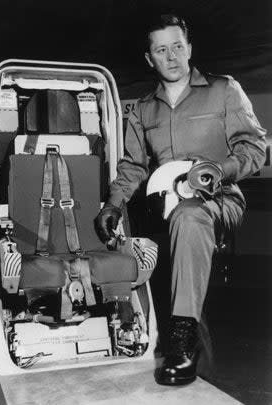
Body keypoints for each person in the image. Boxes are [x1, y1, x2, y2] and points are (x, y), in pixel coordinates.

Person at [95, 14, 267, 386]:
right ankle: (193, 365)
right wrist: (112, 204)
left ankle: (182, 342)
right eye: (161, 49)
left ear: (189, 49)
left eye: (177, 46)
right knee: (169, 277)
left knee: (190, 217)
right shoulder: (142, 109)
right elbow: (131, 166)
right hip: (164, 211)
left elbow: (255, 147)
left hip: (219, 201)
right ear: (149, 58)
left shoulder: (225, 90)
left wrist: (220, 169)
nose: (171, 56)